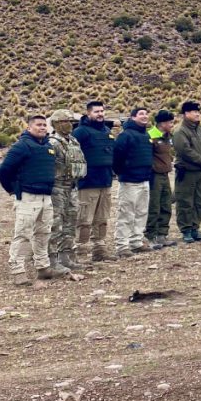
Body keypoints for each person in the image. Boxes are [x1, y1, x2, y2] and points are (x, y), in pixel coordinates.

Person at [0, 114, 67, 285]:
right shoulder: (22, 146)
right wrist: (13, 190)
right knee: (23, 234)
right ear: (29, 127)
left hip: (45, 197)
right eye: (38, 125)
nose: (42, 128)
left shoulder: (48, 146)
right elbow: (4, 170)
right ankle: (17, 270)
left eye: (44, 125)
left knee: (43, 233)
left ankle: (43, 267)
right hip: (28, 197)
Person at [73, 100, 117, 262]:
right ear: (88, 113)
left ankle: (100, 249)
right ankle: (81, 251)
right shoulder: (80, 132)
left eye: (102, 111)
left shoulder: (107, 131)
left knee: (102, 218)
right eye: (96, 111)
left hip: (105, 181)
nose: (100, 114)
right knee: (85, 219)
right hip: (88, 183)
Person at [46, 109, 86, 274]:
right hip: (57, 187)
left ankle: (66, 256)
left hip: (72, 186)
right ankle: (51, 260)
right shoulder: (52, 143)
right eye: (65, 121)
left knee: (70, 222)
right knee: (56, 224)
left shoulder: (73, 141)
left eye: (70, 122)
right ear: (56, 124)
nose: (69, 125)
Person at [112, 107, 154, 257]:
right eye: (141, 114)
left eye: (146, 113)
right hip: (129, 181)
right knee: (126, 214)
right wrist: (121, 171)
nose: (145, 116)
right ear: (133, 117)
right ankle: (122, 245)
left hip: (144, 180)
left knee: (141, 213)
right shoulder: (126, 135)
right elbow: (117, 156)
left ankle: (136, 241)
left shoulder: (147, 135)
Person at [172, 100, 201, 242]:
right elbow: (185, 151)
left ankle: (195, 228)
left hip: (199, 172)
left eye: (198, 112)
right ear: (186, 113)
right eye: (194, 112)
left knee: (199, 201)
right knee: (185, 202)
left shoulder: (199, 129)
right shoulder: (180, 131)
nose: (197, 114)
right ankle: (186, 230)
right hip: (186, 172)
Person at [146, 109, 177, 248]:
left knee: (166, 204)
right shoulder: (151, 136)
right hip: (154, 176)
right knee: (154, 205)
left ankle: (162, 234)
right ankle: (151, 236)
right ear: (162, 123)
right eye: (170, 122)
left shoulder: (167, 136)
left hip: (165, 174)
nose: (172, 124)